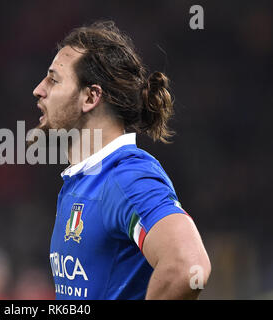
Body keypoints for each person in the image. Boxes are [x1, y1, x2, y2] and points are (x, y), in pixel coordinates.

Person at [31, 21, 211, 299]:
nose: (39, 89)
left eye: (54, 79)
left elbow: (190, 267)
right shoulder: (83, 180)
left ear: (90, 96)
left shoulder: (127, 176)